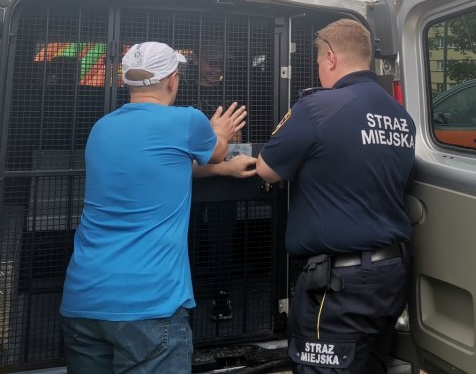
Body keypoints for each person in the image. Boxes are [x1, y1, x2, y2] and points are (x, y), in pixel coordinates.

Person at [59, 41, 254, 374]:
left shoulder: (102, 128)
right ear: (173, 80)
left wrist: (221, 170)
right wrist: (219, 133)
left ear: (126, 82)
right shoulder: (187, 121)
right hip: (148, 303)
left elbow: (163, 164)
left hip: (83, 300)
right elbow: (218, 150)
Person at [255, 19, 415, 373]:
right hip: (391, 273)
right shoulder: (401, 116)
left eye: (316, 60)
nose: (318, 68)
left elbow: (267, 169)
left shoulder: (318, 108)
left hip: (341, 284)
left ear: (330, 57)